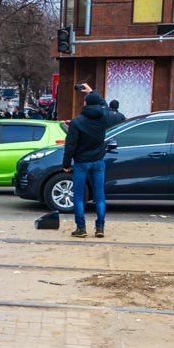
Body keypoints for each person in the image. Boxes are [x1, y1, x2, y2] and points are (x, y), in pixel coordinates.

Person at [62, 88, 109, 238]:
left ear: (85, 103)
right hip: (98, 161)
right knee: (100, 196)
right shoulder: (104, 118)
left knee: (79, 196)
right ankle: (100, 227)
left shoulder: (77, 122)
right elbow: (105, 106)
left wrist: (66, 163)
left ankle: (81, 228)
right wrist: (93, 91)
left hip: (81, 162)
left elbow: (70, 145)